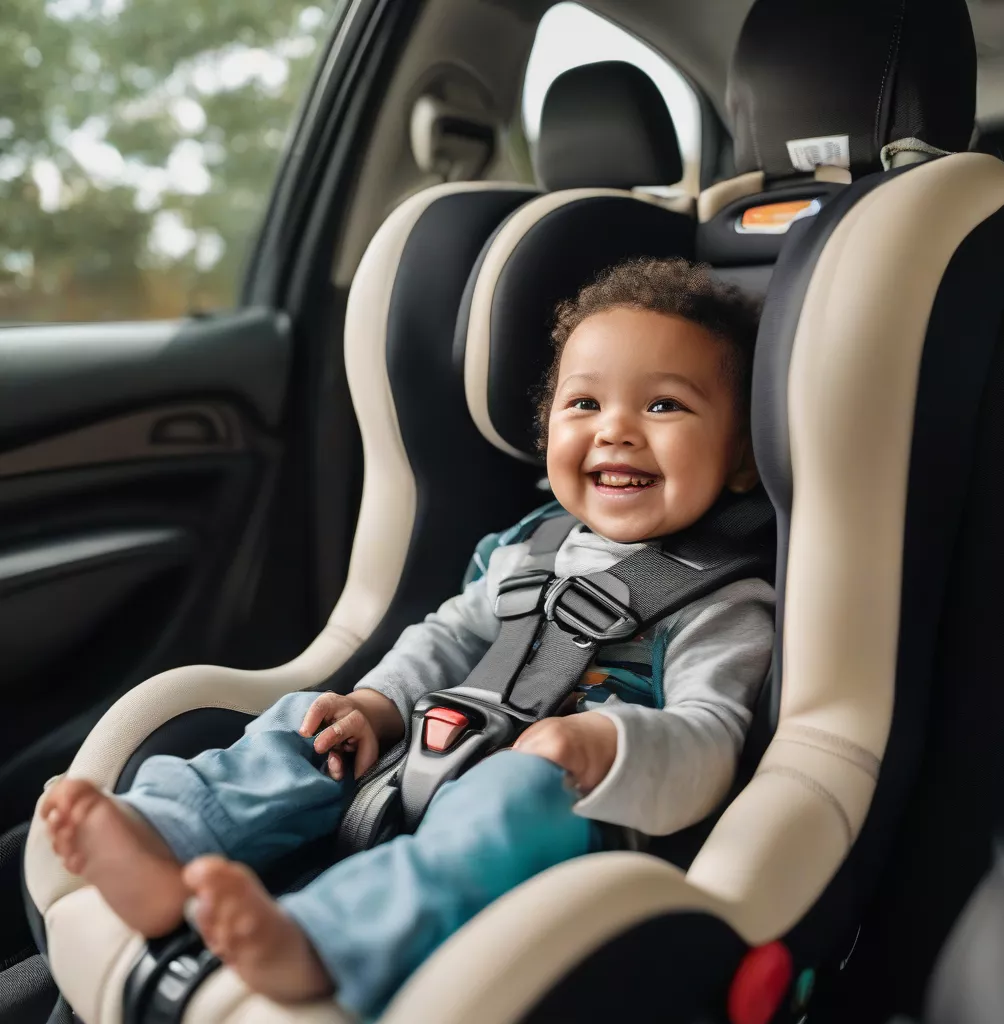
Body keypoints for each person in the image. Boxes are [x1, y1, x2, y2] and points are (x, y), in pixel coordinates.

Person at [41, 257, 775, 1021]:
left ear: (745, 459)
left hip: (564, 807)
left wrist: (603, 743)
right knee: (308, 721)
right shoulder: (530, 548)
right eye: (584, 402)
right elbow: (450, 635)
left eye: (664, 406)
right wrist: (379, 704)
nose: (616, 430)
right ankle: (166, 832)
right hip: (431, 751)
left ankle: (322, 943)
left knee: (507, 799)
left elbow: (712, 741)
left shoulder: (722, 601)